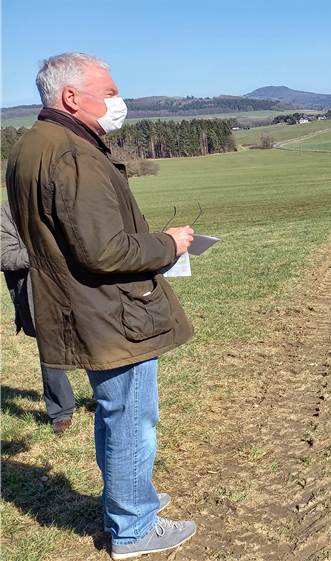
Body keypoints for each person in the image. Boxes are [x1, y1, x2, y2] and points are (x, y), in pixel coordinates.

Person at [5, 53, 197, 558]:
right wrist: (169, 244)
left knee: (119, 412)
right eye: (109, 91)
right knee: (130, 416)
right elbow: (105, 248)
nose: (118, 100)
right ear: (71, 97)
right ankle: (134, 528)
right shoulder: (73, 154)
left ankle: (132, 498)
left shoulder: (32, 145)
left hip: (80, 306)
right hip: (111, 312)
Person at [2, 201, 76, 434]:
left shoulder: (61, 201)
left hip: (76, 285)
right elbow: (5, 256)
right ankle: (61, 411)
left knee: (96, 338)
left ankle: (105, 394)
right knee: (50, 351)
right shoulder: (7, 211)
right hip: (38, 293)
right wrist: (42, 255)